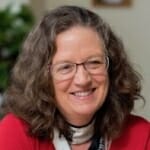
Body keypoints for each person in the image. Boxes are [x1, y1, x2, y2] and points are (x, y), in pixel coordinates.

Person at [0, 5, 149, 150]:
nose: (83, 80)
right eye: (65, 67)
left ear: (112, 68)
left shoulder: (141, 135)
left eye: (94, 63)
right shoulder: (15, 132)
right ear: (42, 76)